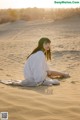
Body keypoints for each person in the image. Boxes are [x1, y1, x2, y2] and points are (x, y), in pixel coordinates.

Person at [0, 37, 70, 87]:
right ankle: (64, 75)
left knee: (49, 72)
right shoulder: (39, 54)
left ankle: (64, 74)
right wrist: (40, 81)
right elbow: (37, 69)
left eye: (49, 43)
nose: (48, 45)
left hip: (31, 76)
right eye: (46, 43)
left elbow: (44, 69)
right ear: (41, 44)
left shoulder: (39, 53)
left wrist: (46, 74)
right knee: (55, 80)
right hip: (33, 77)